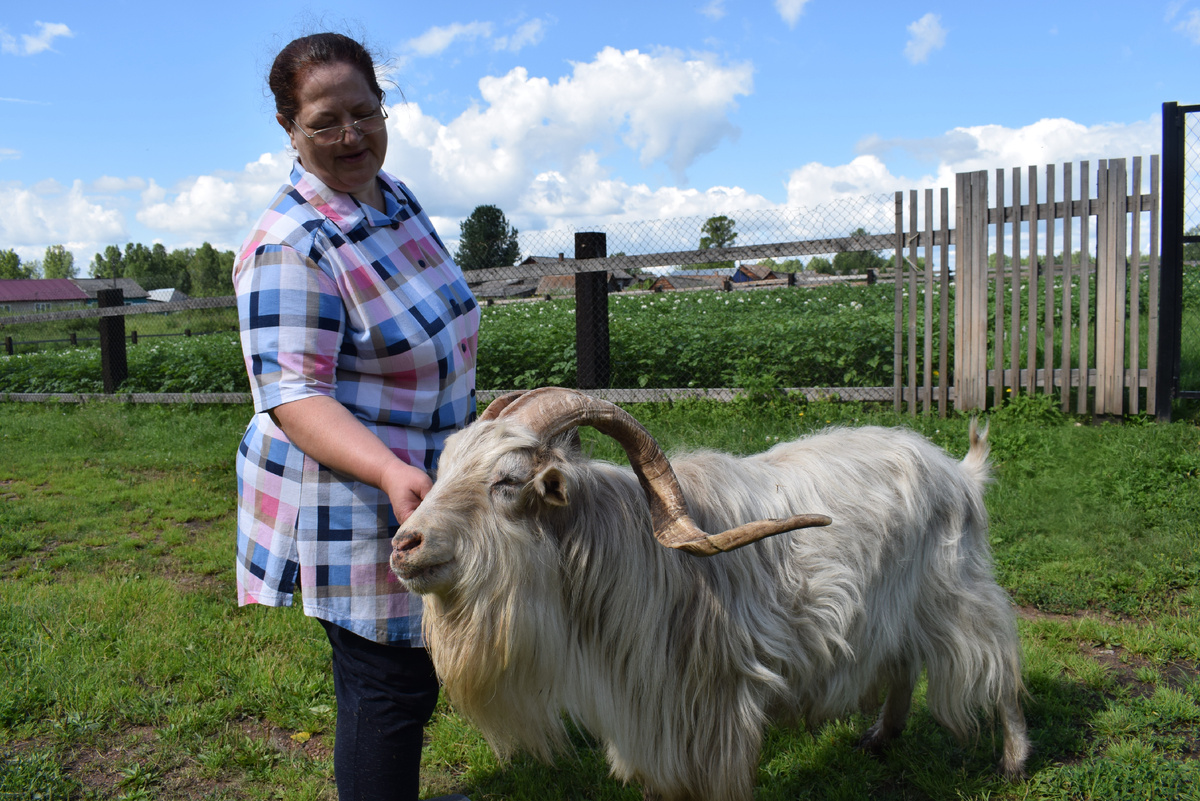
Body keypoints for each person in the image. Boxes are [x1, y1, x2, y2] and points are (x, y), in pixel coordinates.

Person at [233, 32, 477, 801]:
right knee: (389, 684)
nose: (351, 137)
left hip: (425, 477)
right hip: (353, 490)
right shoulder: (290, 244)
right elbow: (294, 395)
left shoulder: (391, 196)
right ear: (288, 128)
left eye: (365, 113)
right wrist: (390, 467)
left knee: (407, 671)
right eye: (325, 122)